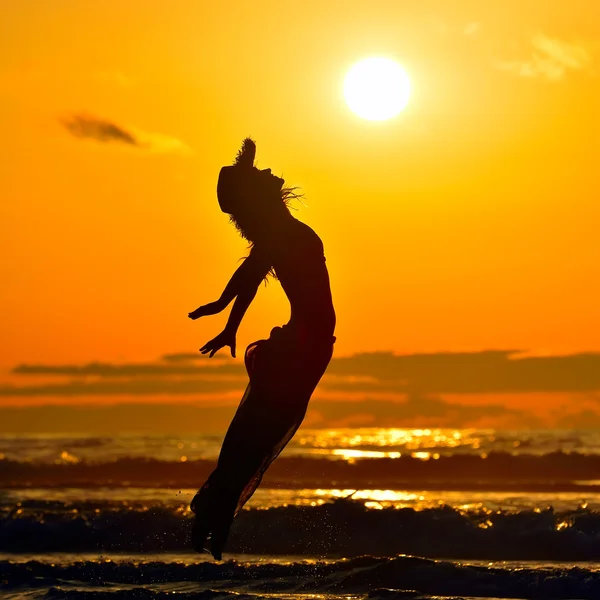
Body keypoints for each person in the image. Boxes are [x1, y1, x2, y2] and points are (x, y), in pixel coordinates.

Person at [188, 138, 336, 559]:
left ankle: (213, 520)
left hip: (305, 346)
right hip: (303, 349)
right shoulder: (282, 234)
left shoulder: (279, 233)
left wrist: (229, 321)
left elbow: (250, 277)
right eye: (260, 176)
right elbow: (250, 277)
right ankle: (213, 521)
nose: (272, 173)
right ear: (258, 196)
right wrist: (224, 313)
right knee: (256, 438)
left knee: (255, 437)